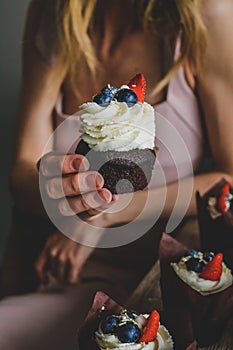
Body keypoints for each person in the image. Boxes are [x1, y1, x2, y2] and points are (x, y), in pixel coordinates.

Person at [0, 0, 233, 349]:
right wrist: (57, 189)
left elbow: (229, 175)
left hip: (172, 286)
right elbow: (22, 173)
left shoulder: (206, 12)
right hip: (75, 277)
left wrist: (105, 215)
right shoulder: (53, 12)